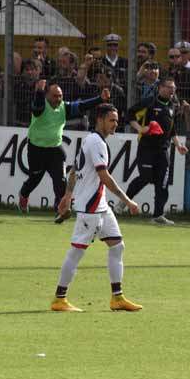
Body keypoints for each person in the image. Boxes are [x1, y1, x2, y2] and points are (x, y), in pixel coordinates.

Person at [50, 103, 142, 313]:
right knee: (76, 252)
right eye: (111, 120)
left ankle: (117, 297)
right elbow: (104, 176)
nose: (115, 124)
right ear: (99, 119)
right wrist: (127, 200)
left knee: (117, 246)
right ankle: (59, 299)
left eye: (117, 120)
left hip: (99, 206)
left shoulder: (90, 140)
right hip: (90, 208)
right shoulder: (97, 143)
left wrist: (67, 194)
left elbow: (74, 170)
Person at [19, 79, 110, 220]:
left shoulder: (63, 107)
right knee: (35, 178)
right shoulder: (41, 105)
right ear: (46, 95)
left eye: (60, 96)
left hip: (55, 149)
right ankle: (24, 195)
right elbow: (36, 110)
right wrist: (38, 91)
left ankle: (60, 210)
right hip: (36, 149)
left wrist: (100, 99)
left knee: (60, 181)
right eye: (55, 96)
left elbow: (81, 106)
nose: (58, 99)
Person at [125, 77, 189, 225]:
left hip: (163, 150)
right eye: (169, 87)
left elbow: (171, 129)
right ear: (160, 87)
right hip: (146, 148)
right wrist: (140, 128)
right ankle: (125, 200)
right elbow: (129, 114)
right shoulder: (149, 102)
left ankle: (158, 215)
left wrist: (178, 145)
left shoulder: (173, 105)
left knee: (163, 182)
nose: (172, 90)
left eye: (174, 88)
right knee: (146, 176)